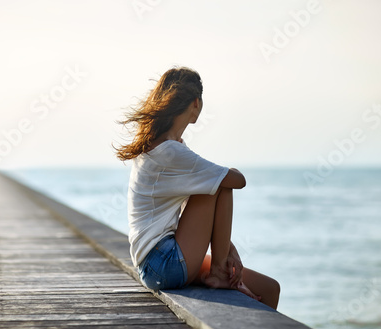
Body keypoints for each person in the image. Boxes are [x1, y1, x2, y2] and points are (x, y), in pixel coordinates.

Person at [115, 66, 280, 309]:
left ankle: (220, 268)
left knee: (269, 289)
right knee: (223, 182)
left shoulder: (163, 146)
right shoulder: (170, 152)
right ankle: (218, 272)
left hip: (157, 263)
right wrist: (221, 258)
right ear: (196, 103)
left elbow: (192, 206)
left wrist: (228, 248)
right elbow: (237, 180)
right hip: (162, 262)